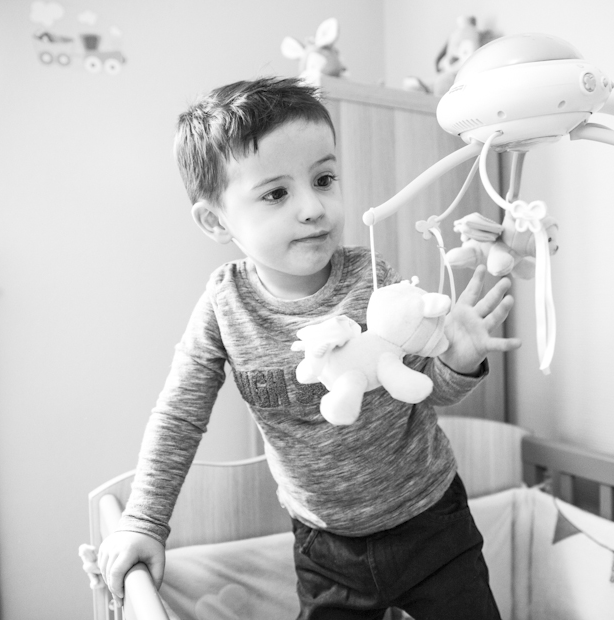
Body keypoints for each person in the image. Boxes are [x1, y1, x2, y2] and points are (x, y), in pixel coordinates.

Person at [96, 76, 520, 619]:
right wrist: (144, 521)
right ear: (215, 220)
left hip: (432, 518)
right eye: (276, 193)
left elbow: (423, 388)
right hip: (325, 546)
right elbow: (179, 416)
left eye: (324, 179)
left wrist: (458, 360)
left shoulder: (371, 278)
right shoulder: (225, 307)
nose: (313, 207)